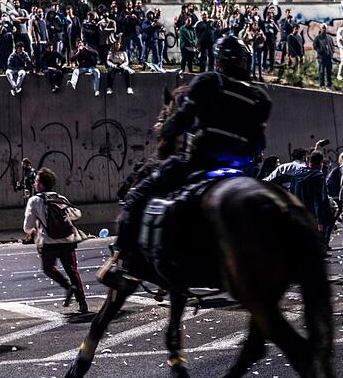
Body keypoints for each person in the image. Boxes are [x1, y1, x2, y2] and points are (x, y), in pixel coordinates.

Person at [99, 35, 272, 289]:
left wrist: (166, 129)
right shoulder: (260, 96)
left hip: (201, 164)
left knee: (137, 196)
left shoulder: (209, 81)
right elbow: (260, 142)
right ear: (246, 61)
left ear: (218, 60)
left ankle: (122, 263)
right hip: (241, 170)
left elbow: (181, 120)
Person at [23, 168, 89, 314]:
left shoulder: (34, 201)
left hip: (49, 242)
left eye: (36, 181)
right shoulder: (60, 198)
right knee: (72, 271)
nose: (34, 184)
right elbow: (76, 214)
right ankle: (82, 303)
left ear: (41, 185)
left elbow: (27, 225)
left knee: (48, 268)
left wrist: (32, 231)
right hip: (67, 240)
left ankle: (67, 286)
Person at [291, 151, 333, 242]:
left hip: (299, 214)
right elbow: (320, 199)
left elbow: (292, 192)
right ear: (321, 163)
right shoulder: (318, 176)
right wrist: (320, 220)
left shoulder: (297, 174)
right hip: (313, 216)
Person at [313, 24, 335, 89]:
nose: (324, 29)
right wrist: (320, 51)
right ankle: (321, 85)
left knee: (329, 72)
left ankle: (329, 85)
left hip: (329, 57)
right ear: (320, 29)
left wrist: (332, 52)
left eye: (325, 28)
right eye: (323, 28)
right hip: (322, 57)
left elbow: (332, 46)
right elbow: (315, 46)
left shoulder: (329, 37)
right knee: (321, 71)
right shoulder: (318, 37)